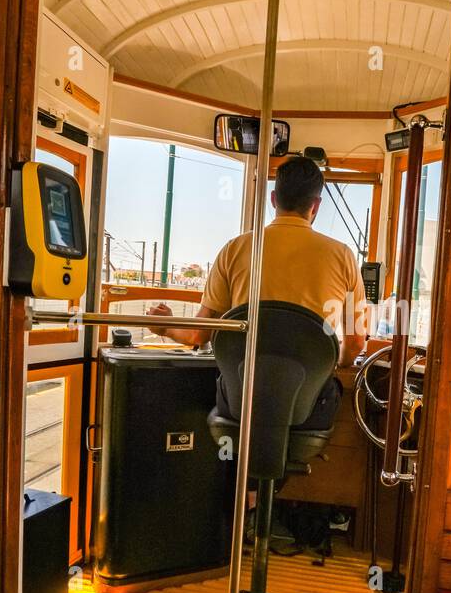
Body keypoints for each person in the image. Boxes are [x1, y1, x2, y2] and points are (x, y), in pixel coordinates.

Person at [147, 154, 369, 426]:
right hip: (310, 409)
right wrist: (335, 364)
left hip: (239, 402)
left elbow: (199, 334)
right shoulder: (343, 256)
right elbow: (357, 342)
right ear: (316, 205)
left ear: (274, 199)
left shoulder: (234, 249)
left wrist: (166, 327)